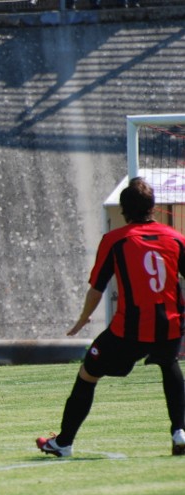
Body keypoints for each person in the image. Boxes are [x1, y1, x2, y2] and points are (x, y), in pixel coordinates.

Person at [38, 177, 185, 458]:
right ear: (152, 207)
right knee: (168, 365)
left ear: (124, 210)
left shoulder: (115, 240)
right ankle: (180, 431)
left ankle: (63, 442)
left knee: (88, 373)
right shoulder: (176, 237)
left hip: (127, 331)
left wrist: (82, 320)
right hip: (169, 324)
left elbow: (97, 289)